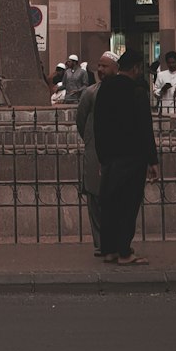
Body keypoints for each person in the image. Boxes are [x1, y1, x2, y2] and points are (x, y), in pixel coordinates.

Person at [93, 46, 159, 267]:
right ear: (137, 67)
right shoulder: (137, 91)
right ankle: (125, 252)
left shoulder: (104, 88)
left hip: (110, 157)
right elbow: (144, 128)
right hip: (132, 157)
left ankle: (109, 250)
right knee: (128, 206)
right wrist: (152, 160)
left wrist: (102, 157)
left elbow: (97, 126)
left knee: (110, 204)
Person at [75, 50, 119, 253]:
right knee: (95, 197)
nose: (100, 70)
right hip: (95, 153)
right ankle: (101, 244)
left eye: (105, 66)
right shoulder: (90, 93)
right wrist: (92, 142)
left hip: (117, 154)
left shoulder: (123, 91)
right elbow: (81, 121)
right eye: (98, 66)